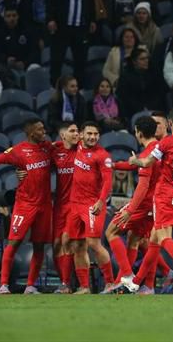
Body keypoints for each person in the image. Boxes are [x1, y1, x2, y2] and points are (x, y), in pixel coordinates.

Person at [120, 108, 173, 294]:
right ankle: (136, 282)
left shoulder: (166, 142)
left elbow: (147, 162)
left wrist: (134, 161)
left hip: (164, 194)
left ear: (170, 124)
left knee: (164, 237)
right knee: (155, 240)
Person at [0, 118, 54, 295]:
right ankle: (4, 285)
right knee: (13, 243)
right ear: (31, 132)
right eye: (40, 129)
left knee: (39, 246)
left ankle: (30, 286)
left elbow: (66, 148)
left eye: (43, 128)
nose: (43, 131)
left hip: (45, 205)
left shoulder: (48, 148)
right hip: (24, 205)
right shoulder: (18, 151)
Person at [105, 116, 173, 295]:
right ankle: (148, 284)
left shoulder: (148, 154)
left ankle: (127, 276)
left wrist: (130, 210)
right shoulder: (157, 151)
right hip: (158, 203)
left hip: (144, 204)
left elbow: (143, 185)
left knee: (111, 232)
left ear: (138, 132)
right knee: (137, 239)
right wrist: (115, 165)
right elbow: (136, 164)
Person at [67, 121, 114, 294]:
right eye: (89, 134)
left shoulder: (102, 155)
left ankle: (110, 283)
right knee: (77, 246)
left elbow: (108, 181)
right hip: (75, 205)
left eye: (95, 134)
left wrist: (101, 201)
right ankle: (84, 286)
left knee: (93, 243)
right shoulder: (78, 146)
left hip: (92, 204)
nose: (92, 137)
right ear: (81, 135)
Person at [48, 0, 96, 87]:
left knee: (81, 62)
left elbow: (91, 0)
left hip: (81, 27)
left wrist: (92, 20)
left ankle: (78, 90)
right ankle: (55, 88)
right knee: (57, 60)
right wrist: (51, 19)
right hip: (62, 26)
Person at [50, 122, 80, 294]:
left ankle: (65, 283)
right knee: (55, 244)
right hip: (59, 206)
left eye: (77, 131)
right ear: (63, 135)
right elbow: (38, 164)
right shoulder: (56, 153)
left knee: (66, 240)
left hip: (75, 205)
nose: (77, 134)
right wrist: (21, 172)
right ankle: (65, 280)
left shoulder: (82, 150)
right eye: (72, 131)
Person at [0, 6, 40, 89]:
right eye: (8, 16)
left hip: (25, 66)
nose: (12, 18)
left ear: (18, 16)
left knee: (35, 67)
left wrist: (24, 63)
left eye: (14, 15)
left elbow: (34, 51)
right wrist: (6, 59)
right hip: (6, 68)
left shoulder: (27, 31)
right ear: (4, 18)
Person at [115, 47, 163, 123]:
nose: (146, 61)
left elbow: (159, 93)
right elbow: (124, 97)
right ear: (134, 61)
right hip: (132, 112)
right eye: (142, 59)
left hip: (154, 109)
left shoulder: (154, 74)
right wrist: (141, 108)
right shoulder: (126, 76)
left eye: (147, 58)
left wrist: (149, 108)